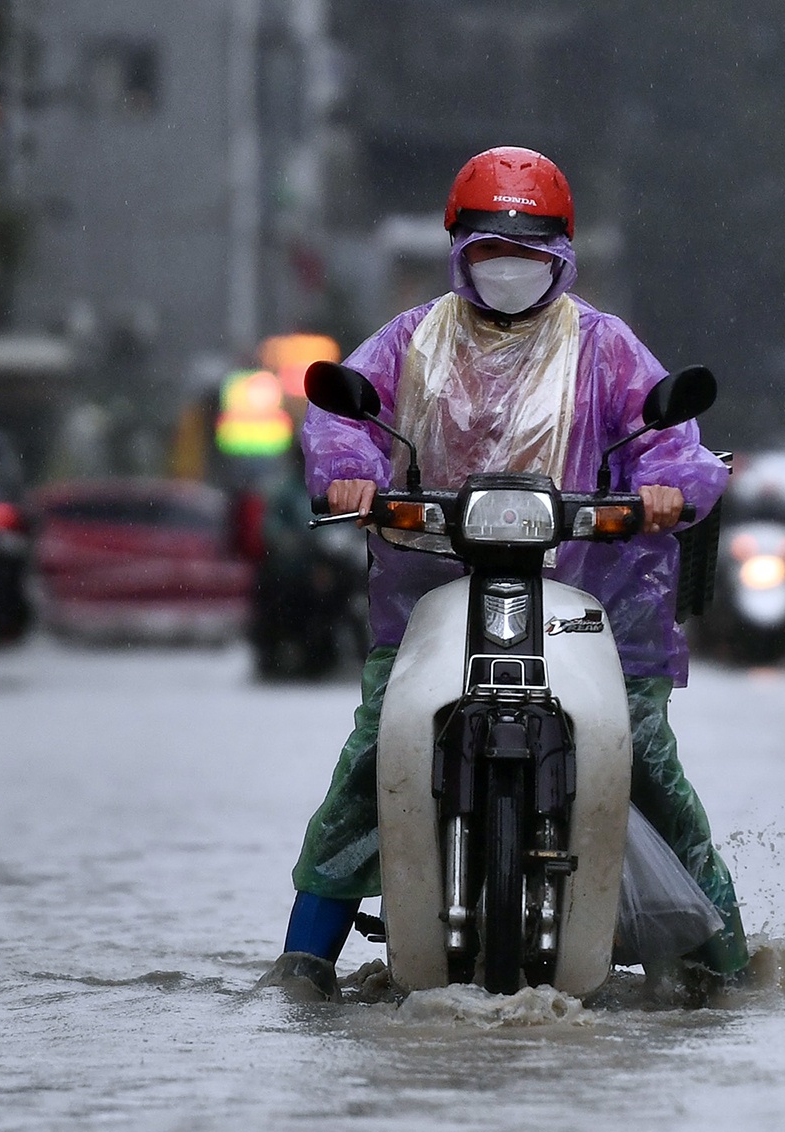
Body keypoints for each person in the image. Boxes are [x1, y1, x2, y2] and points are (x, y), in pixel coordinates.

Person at [268, 147, 743, 1001]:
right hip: (429, 608)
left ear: (561, 253)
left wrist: (673, 486)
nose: (510, 265)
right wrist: (350, 471)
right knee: (374, 757)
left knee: (655, 774)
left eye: (528, 250)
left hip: (589, 611)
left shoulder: (606, 348)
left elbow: (674, 442)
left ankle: (733, 967)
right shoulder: (407, 342)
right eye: (492, 247)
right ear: (460, 247)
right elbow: (343, 425)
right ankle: (304, 960)